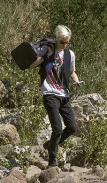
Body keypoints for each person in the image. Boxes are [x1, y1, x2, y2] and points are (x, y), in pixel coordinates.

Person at [29, 25, 83, 168]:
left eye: (67, 42)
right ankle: (52, 162)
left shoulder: (70, 54)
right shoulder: (48, 49)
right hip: (49, 93)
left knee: (71, 127)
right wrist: (45, 56)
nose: (64, 45)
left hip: (63, 94)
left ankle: (50, 144)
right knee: (57, 128)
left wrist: (76, 81)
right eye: (62, 42)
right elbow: (32, 65)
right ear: (57, 39)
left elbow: (72, 72)